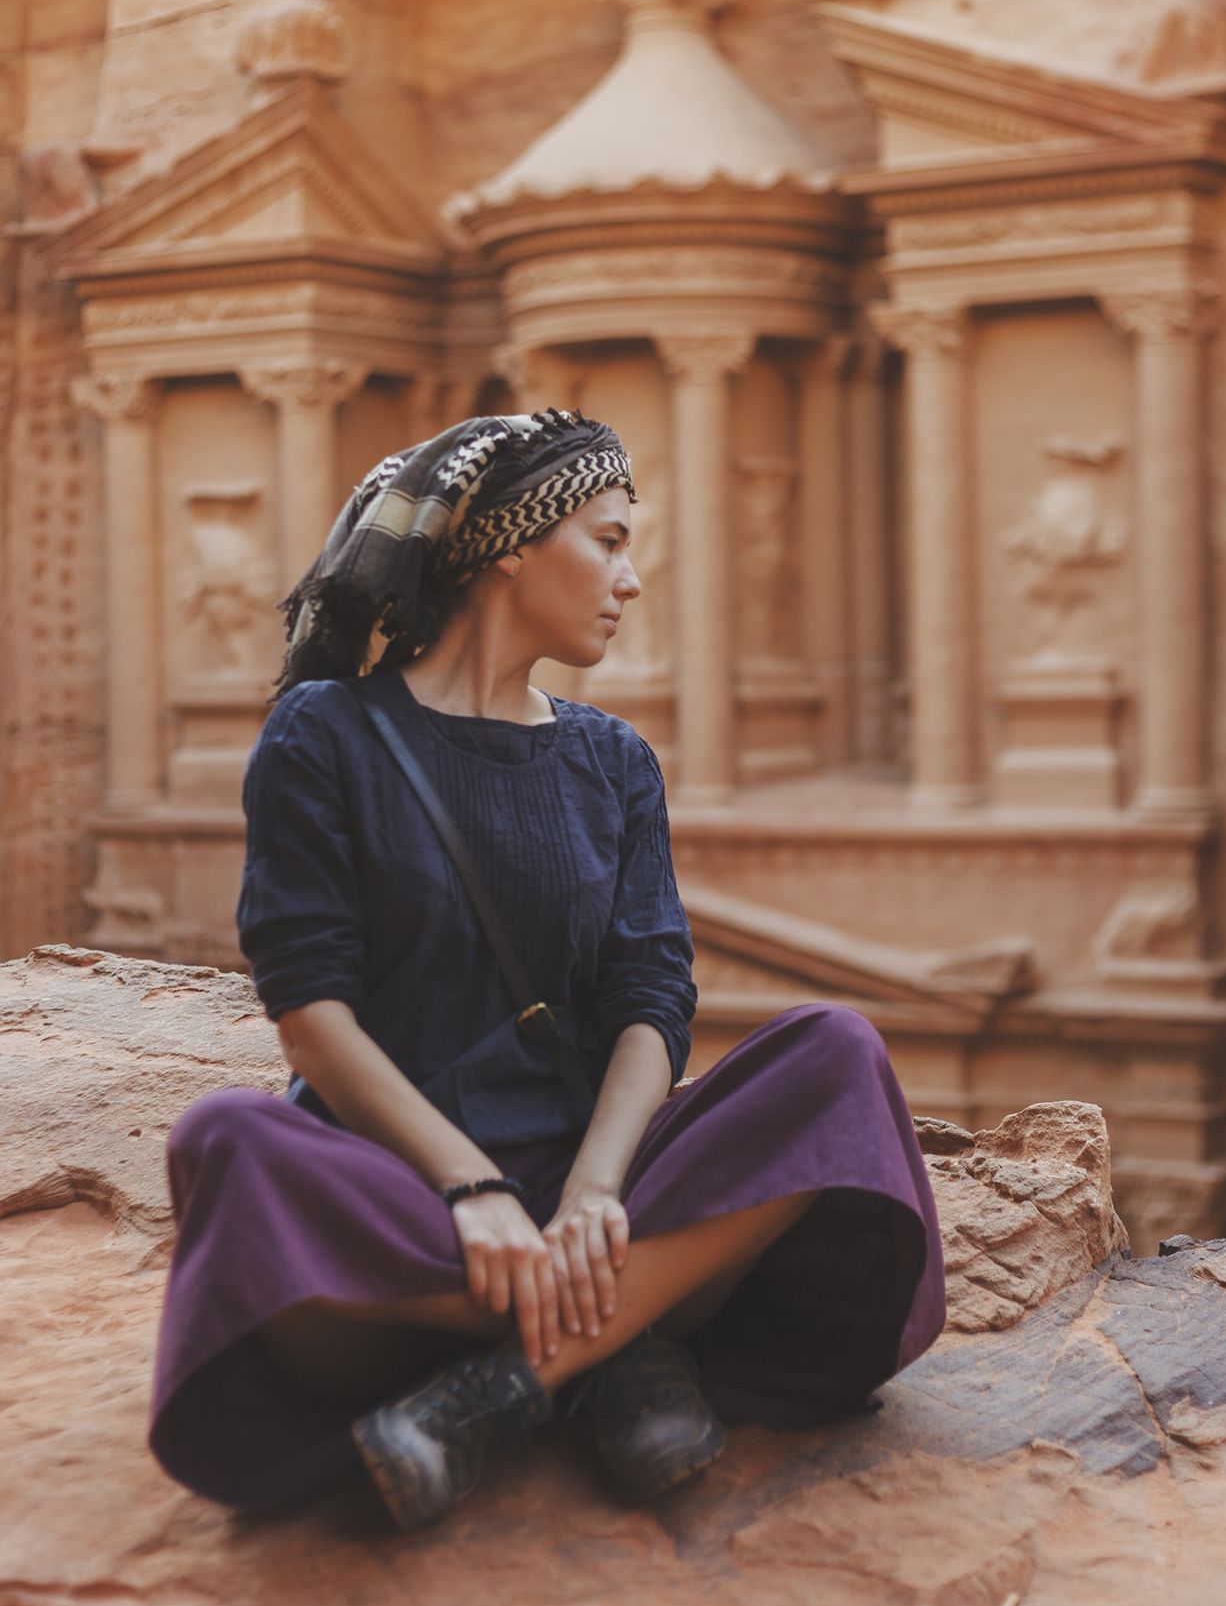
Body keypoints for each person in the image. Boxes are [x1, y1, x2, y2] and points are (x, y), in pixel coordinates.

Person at [149, 408, 946, 1531]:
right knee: (222, 1139)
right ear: (509, 543)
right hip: (409, 1198)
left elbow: (650, 1001)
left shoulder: (612, 758)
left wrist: (593, 1193)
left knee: (835, 1052)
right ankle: (617, 1350)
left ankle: (502, 1387)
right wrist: (473, 1192)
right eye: (608, 539)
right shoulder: (324, 734)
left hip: (613, 1203)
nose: (630, 578)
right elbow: (310, 1013)